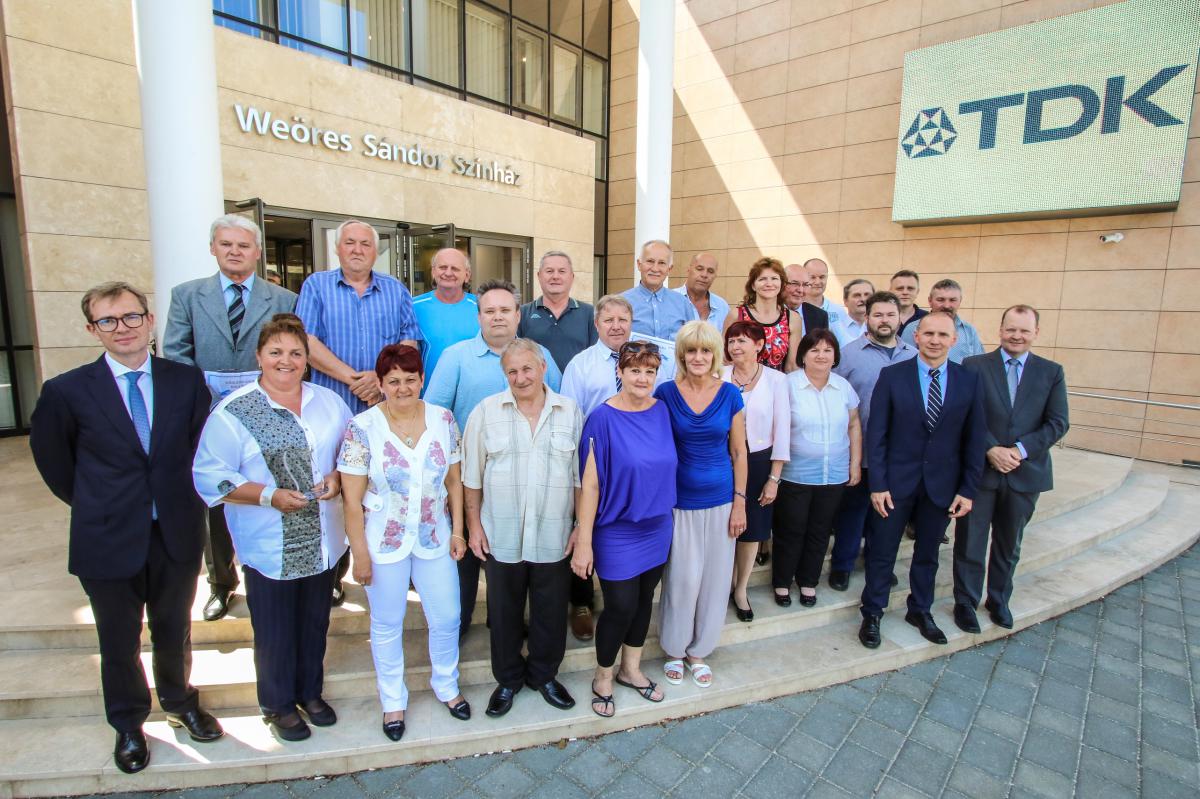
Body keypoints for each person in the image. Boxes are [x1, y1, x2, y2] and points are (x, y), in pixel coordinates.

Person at [30, 281, 223, 774]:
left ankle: (180, 703)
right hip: (106, 536)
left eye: (132, 316)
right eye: (108, 320)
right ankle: (129, 724)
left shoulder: (186, 381)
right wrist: (103, 504)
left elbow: (201, 451)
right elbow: (55, 464)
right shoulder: (66, 391)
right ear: (92, 329)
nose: (123, 328)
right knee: (117, 639)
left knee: (173, 629)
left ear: (150, 321)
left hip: (175, 532)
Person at [192, 314, 351, 741]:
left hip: (322, 539)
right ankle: (277, 704)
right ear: (259, 356)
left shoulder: (328, 402)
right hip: (271, 544)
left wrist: (337, 477)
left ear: (307, 360)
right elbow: (210, 476)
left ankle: (309, 692)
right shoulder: (235, 411)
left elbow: (352, 452)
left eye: (296, 353)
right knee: (275, 629)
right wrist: (269, 495)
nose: (287, 361)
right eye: (276, 352)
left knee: (314, 622)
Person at [164, 213, 298, 622]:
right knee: (220, 495)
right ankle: (221, 582)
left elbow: (292, 352)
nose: (235, 252)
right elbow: (176, 354)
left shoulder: (283, 299)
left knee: (274, 487)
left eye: (243, 245)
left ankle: (277, 570)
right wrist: (206, 399)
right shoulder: (187, 296)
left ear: (257, 252)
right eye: (226, 244)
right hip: (208, 410)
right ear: (213, 248)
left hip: (269, 409)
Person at [338, 344, 472, 742]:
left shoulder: (443, 419)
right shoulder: (362, 427)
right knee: (387, 623)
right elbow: (351, 499)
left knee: (447, 616)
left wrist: (458, 531)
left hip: (434, 535)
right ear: (380, 383)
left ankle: (446, 684)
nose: (402, 388)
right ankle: (393, 700)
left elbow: (454, 481)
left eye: (410, 379)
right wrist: (359, 553)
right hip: (383, 541)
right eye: (393, 381)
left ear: (421, 380)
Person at [424, 279, 561, 638]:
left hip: (526, 482)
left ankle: (507, 622)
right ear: (479, 317)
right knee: (469, 557)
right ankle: (459, 624)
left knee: (515, 562)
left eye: (504, 310)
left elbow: (561, 407)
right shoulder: (455, 357)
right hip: (468, 479)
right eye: (489, 311)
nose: (497, 317)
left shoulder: (540, 357)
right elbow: (434, 418)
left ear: (518, 315)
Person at [296, 219, 421, 604]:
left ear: (375, 250)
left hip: (384, 408)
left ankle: (396, 559)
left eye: (365, 244)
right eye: (349, 242)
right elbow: (306, 341)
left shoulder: (396, 290)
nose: (357, 249)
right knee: (334, 487)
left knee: (388, 483)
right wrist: (355, 378)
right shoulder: (316, 286)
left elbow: (408, 342)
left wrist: (380, 381)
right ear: (337, 248)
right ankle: (335, 570)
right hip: (334, 404)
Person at [462, 339, 583, 717]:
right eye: (512, 371)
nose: (520, 377)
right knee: (503, 612)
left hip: (554, 532)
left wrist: (580, 526)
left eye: (527, 368)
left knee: (551, 610)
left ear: (543, 367)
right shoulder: (485, 412)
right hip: (501, 533)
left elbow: (580, 477)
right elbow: (471, 477)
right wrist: (473, 527)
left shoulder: (570, 411)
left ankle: (544, 675)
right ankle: (508, 680)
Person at [858, 312, 986, 649]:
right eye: (928, 334)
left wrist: (967, 490)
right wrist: (878, 485)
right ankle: (872, 612)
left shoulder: (968, 380)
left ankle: (920, 610)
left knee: (928, 554)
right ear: (916, 336)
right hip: (895, 485)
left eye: (942, 335)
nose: (935, 340)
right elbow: (877, 435)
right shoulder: (892, 376)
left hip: (942, 485)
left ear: (953, 340)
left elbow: (974, 440)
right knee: (882, 551)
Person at [571, 341, 677, 717]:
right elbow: (589, 486)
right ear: (620, 372)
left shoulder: (662, 411)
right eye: (634, 370)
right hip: (616, 529)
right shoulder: (601, 418)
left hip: (657, 525)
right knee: (619, 606)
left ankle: (631, 670)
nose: (642, 378)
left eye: (650, 371)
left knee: (645, 600)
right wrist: (584, 541)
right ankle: (603, 676)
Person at [953, 305, 1069, 633]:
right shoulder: (974, 366)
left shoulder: (1051, 372)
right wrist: (990, 448)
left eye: (1024, 330)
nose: (1017, 336)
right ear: (1001, 330)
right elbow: (964, 413)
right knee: (970, 542)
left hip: (1025, 473)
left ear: (1036, 333)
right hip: (981, 471)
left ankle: (998, 599)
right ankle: (965, 602)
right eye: (1011, 329)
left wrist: (1018, 451)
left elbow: (1058, 422)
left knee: (1009, 544)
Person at [655, 321, 747, 688]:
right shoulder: (665, 393)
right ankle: (674, 649)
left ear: (715, 355)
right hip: (678, 503)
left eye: (705, 350)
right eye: (691, 350)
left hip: (722, 501)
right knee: (682, 579)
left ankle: (699, 651)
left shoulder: (730, 394)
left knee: (715, 580)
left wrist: (740, 503)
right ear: (681, 355)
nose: (698, 357)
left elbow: (739, 452)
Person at [829, 292, 916, 591]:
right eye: (877, 315)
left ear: (900, 318)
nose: (884, 320)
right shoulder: (848, 355)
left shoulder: (913, 356)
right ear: (867, 318)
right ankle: (842, 565)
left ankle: (878, 563)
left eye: (890, 315)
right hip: (860, 451)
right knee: (852, 513)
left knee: (887, 516)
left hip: (898, 455)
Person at [773, 329, 861, 607]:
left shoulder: (843, 386)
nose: (821, 355)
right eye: (814, 350)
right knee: (791, 529)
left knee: (820, 531)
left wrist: (855, 463)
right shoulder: (788, 384)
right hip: (795, 474)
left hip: (833, 474)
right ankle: (782, 581)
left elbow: (854, 424)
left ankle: (808, 581)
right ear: (803, 355)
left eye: (827, 350)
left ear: (835, 356)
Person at [721, 322, 789, 622]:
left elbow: (782, 430)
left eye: (742, 341)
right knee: (724, 526)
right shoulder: (719, 375)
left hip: (760, 461)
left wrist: (774, 478)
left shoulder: (776, 380)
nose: (735, 346)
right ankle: (722, 585)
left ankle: (741, 589)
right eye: (731, 341)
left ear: (760, 344)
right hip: (722, 459)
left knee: (752, 530)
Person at [518, 250, 597, 373]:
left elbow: (596, 357)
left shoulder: (590, 314)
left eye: (562, 271)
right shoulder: (522, 313)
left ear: (572, 277)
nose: (555, 276)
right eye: (549, 271)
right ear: (539, 276)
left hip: (577, 385)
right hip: (536, 385)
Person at [411, 247, 478, 386]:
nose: (448, 273)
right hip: (428, 392)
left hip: (472, 393)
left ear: (467, 275)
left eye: (455, 268)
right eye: (442, 267)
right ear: (433, 272)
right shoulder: (412, 307)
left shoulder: (483, 307)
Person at [722, 257, 802, 372]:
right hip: (741, 381)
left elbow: (792, 366)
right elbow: (725, 358)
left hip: (777, 382)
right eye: (762, 279)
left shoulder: (793, 319)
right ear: (753, 285)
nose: (769, 284)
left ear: (782, 284)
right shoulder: (736, 315)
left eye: (774, 278)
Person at [623, 239, 698, 338]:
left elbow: (692, 341)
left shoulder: (682, 303)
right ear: (639, 265)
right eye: (650, 261)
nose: (655, 269)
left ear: (669, 269)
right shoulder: (622, 302)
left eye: (662, 263)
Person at [900, 278, 984, 364]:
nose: (946, 305)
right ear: (930, 301)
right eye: (940, 300)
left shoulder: (969, 331)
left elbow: (979, 364)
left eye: (952, 300)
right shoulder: (912, 328)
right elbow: (904, 364)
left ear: (960, 301)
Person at [675, 252, 730, 330]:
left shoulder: (722, 307)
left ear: (715, 276)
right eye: (699, 269)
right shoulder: (669, 300)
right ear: (688, 270)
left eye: (710, 271)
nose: (704, 275)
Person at [801, 258, 851, 341]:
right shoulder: (796, 309)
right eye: (812, 277)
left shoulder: (838, 311)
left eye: (822, 277)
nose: (818, 282)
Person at [782, 262, 832, 334]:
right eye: (795, 283)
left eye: (805, 285)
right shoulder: (771, 313)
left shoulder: (820, 316)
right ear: (782, 284)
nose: (800, 290)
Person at [890, 269, 927, 337]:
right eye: (900, 288)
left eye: (910, 288)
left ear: (917, 292)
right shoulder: (882, 318)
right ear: (891, 291)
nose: (905, 292)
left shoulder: (927, 318)